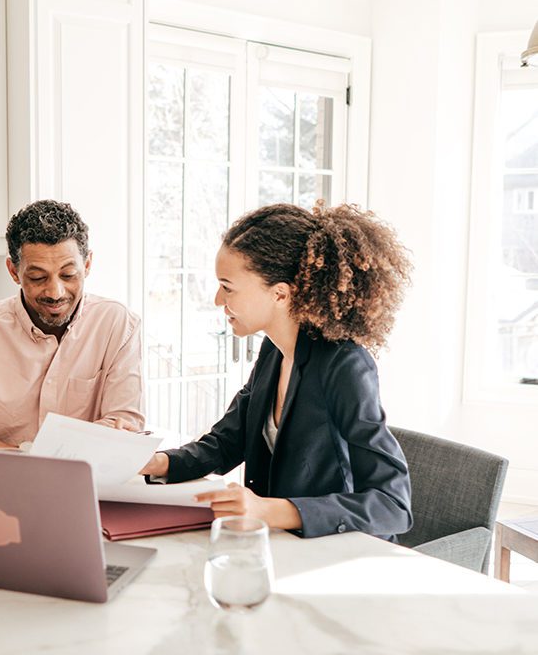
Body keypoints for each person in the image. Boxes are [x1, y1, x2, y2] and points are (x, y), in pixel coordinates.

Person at [142, 202, 413, 541]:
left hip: (337, 552)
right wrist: (156, 463)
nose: (216, 299)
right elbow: (227, 442)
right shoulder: (274, 350)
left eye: (227, 287)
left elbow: (393, 505)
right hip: (282, 546)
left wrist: (269, 511)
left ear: (280, 294)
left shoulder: (344, 365)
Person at [0, 199, 143, 449]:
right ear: (13, 271)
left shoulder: (118, 325)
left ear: (86, 266)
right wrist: (84, 442)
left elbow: (124, 432)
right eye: (37, 277)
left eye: (68, 275)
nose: (55, 292)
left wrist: (9, 450)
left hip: (86, 487)